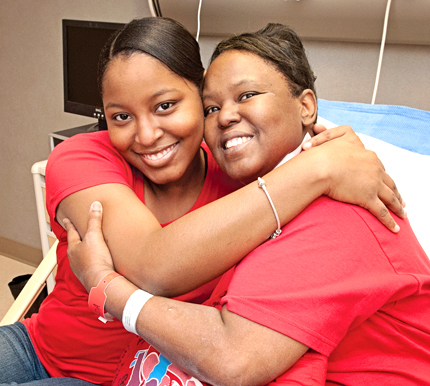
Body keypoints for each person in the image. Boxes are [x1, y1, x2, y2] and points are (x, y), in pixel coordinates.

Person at [0, 18, 404, 386]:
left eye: (165, 106)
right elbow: (151, 265)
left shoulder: (243, 181)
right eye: (121, 117)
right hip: (40, 350)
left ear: (200, 97)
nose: (145, 135)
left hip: (130, 378)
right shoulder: (84, 156)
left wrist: (324, 156)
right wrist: (320, 168)